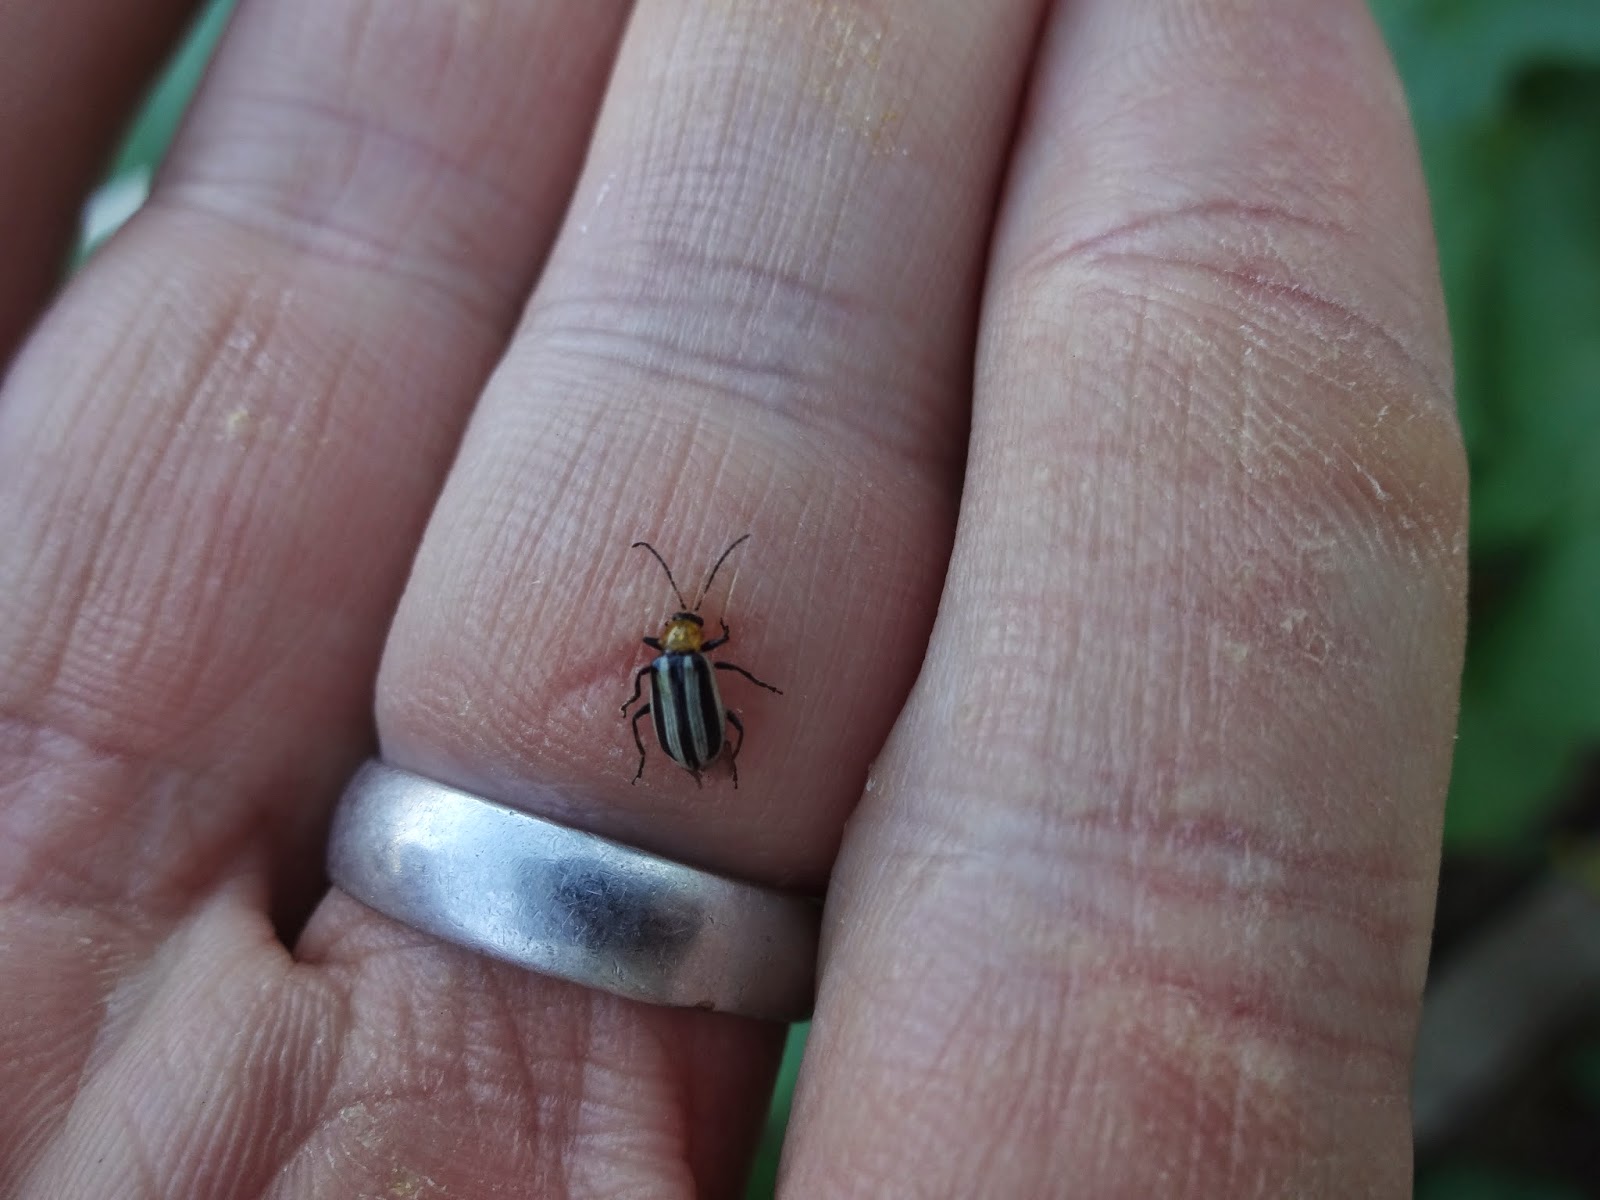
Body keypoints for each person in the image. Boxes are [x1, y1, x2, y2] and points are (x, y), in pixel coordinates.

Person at [0, 0, 1465, 1195]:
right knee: (702, 730)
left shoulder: (675, 661)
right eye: (687, 636)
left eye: (688, 636)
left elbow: (671, 678)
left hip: (676, 775)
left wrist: (671, 727)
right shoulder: (679, 663)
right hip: (683, 779)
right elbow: (671, 681)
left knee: (698, 728)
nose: (689, 642)